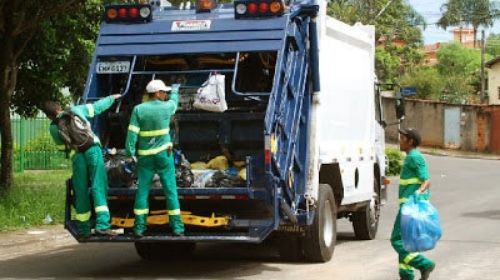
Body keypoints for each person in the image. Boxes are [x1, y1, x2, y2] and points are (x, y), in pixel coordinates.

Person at [42, 94, 121, 237]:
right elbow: (97, 107)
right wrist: (111, 98)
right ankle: (102, 225)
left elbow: (62, 148)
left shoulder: (53, 128)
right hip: (92, 150)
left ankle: (84, 229)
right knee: (98, 185)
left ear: (49, 116)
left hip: (77, 156)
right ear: (59, 107)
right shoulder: (76, 110)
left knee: (81, 190)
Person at [125, 80, 184, 237]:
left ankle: (139, 227)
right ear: (157, 93)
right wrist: (176, 91)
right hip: (164, 155)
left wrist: (130, 153)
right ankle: (177, 228)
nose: (165, 94)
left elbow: (132, 133)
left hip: (145, 158)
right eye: (163, 92)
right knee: (170, 190)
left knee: (142, 191)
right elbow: (174, 102)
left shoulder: (138, 109)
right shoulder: (166, 107)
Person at [391, 128, 435, 280]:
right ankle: (406, 275)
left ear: (411, 141)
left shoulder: (414, 157)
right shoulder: (411, 157)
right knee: (406, 242)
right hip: (409, 208)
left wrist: (418, 193)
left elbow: (426, 180)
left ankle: (424, 264)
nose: (399, 140)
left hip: (409, 209)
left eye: (403, 138)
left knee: (396, 240)